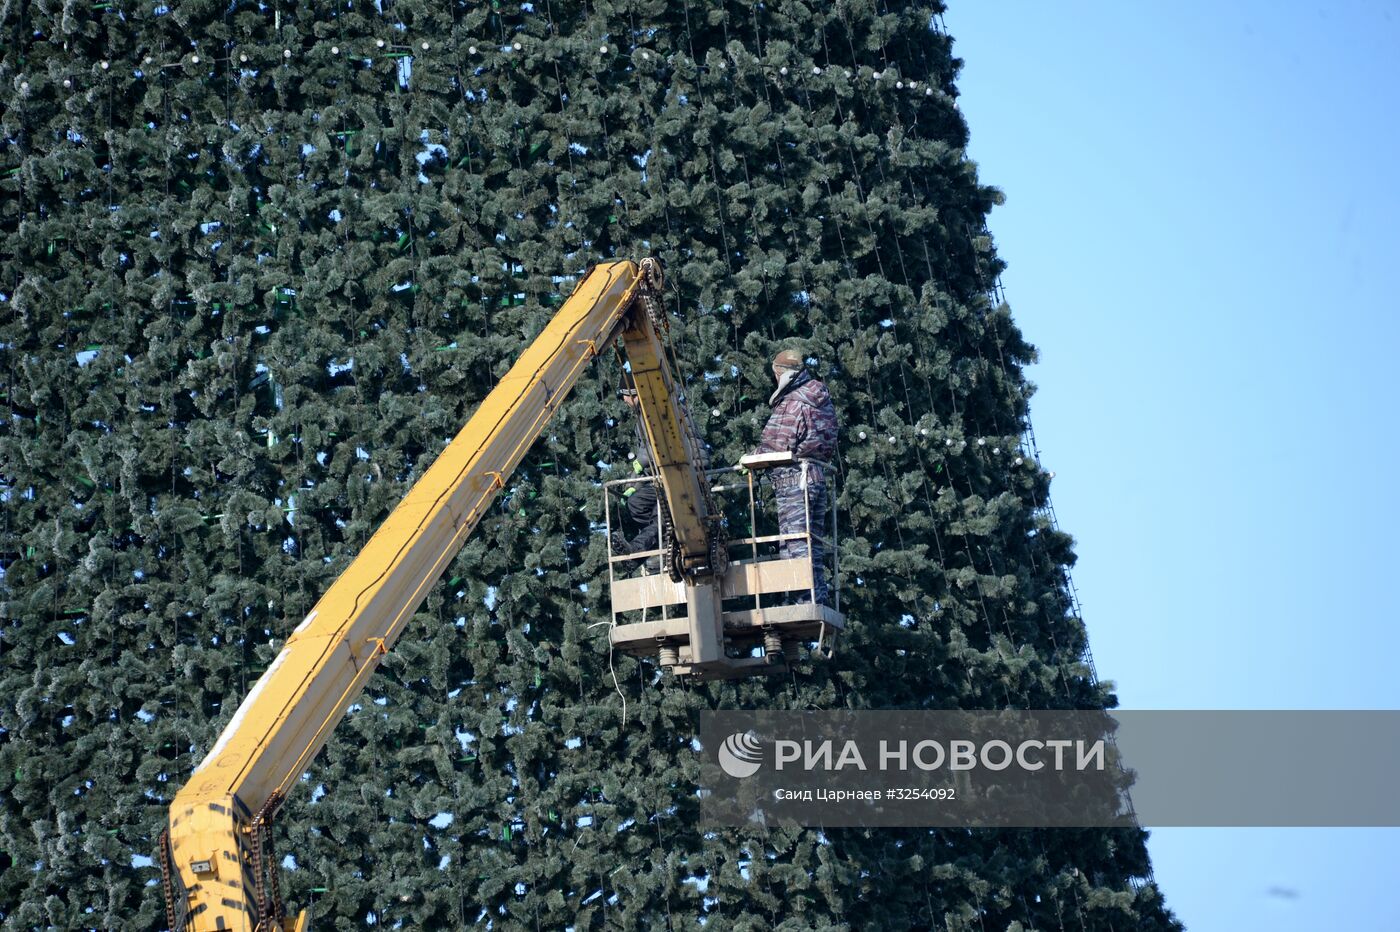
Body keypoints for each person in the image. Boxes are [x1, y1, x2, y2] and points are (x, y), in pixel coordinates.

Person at [749, 349, 838, 605]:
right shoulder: (823, 401)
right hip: (817, 475)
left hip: (793, 479)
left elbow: (776, 443)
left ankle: (802, 598)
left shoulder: (793, 403)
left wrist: (751, 459)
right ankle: (815, 597)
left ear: (782, 373)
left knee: (795, 541)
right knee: (814, 544)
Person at [610, 384, 662, 563]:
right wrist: (633, 485)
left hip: (679, 479)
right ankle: (658, 540)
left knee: (661, 515)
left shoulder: (655, 412)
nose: (624, 400)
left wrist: (641, 462)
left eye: (625, 395)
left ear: (635, 394)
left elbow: (655, 446)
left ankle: (638, 551)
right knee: (635, 503)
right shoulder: (642, 416)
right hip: (658, 480)